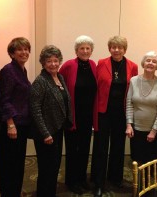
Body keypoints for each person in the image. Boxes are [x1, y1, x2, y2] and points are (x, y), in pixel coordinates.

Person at [91, 35, 138, 197]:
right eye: (113, 47)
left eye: (120, 47)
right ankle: (98, 182)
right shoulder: (101, 63)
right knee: (100, 148)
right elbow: (96, 87)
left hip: (122, 113)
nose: (116, 50)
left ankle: (116, 178)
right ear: (109, 48)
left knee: (118, 147)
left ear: (125, 49)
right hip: (103, 112)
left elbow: (133, 91)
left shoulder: (133, 66)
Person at [30, 45, 72, 197]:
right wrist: (45, 133)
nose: (53, 64)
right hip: (46, 133)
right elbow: (35, 110)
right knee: (46, 167)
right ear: (43, 63)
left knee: (54, 166)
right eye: (49, 61)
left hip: (58, 129)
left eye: (56, 60)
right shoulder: (40, 82)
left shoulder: (59, 77)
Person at [59, 35, 97, 195]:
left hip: (87, 116)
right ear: (76, 50)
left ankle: (82, 179)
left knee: (84, 149)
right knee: (72, 150)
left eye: (88, 48)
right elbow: (58, 83)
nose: (85, 51)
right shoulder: (68, 65)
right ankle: (71, 181)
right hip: (72, 116)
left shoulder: (94, 65)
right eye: (82, 48)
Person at [0, 37, 32, 197]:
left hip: (22, 124)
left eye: (26, 49)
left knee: (18, 163)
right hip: (12, 126)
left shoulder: (22, 70)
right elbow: (4, 99)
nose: (24, 52)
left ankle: (15, 192)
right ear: (12, 53)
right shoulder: (8, 70)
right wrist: (10, 124)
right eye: (19, 49)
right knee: (9, 165)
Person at [126, 51, 157, 167]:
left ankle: (149, 185)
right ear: (143, 63)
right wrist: (129, 125)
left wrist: (154, 131)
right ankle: (137, 185)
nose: (150, 63)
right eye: (148, 60)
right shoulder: (133, 80)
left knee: (151, 163)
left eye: (154, 61)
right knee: (136, 161)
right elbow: (129, 104)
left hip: (153, 132)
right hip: (135, 130)